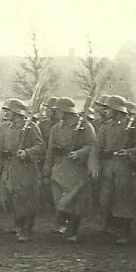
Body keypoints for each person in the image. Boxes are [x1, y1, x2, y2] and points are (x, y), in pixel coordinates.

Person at [43, 97, 98, 242]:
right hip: (59, 167)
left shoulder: (85, 126)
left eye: (58, 110)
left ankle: (72, 232)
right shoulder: (56, 128)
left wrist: (79, 153)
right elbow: (50, 150)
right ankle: (63, 225)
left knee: (75, 202)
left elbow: (92, 145)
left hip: (76, 168)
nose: (57, 113)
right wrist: (47, 171)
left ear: (66, 112)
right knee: (60, 199)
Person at [0, 98, 46, 242]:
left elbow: (41, 146)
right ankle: (18, 223)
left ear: (16, 112)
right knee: (8, 196)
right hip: (8, 166)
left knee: (25, 198)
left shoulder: (30, 127)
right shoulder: (4, 127)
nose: (6, 114)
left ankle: (26, 229)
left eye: (9, 111)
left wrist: (27, 152)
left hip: (24, 168)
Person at [96, 95, 136, 244]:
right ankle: (112, 227)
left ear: (116, 110)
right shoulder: (105, 127)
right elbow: (97, 146)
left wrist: (129, 152)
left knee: (124, 201)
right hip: (108, 167)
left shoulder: (134, 126)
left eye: (109, 108)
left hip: (125, 168)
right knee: (106, 199)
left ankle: (124, 232)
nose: (106, 111)